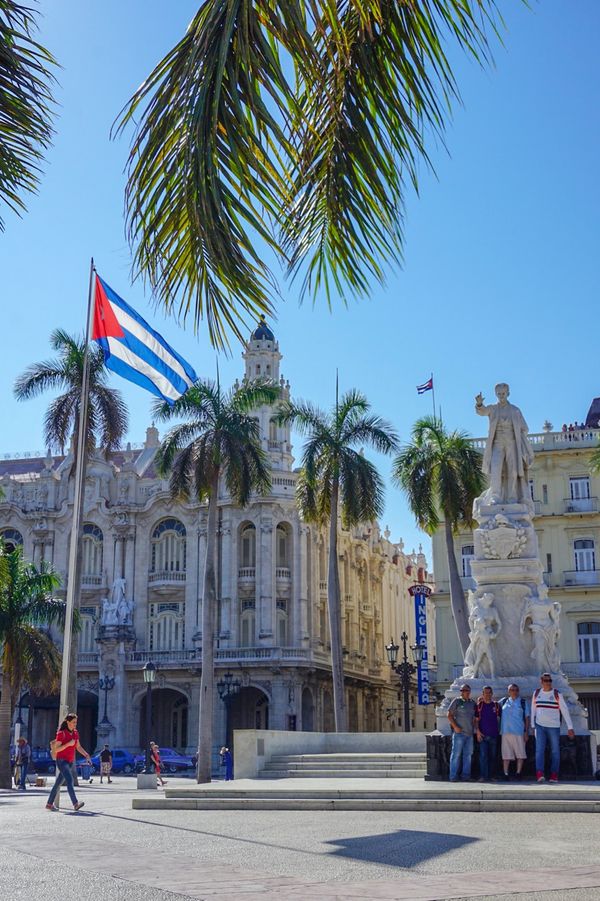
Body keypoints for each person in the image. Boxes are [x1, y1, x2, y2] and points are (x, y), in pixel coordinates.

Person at [531, 673, 574, 784]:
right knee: (539, 751)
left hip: (554, 727)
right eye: (546, 680)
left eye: (549, 680)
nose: (548, 682)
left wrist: (570, 727)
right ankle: (539, 774)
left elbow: (564, 710)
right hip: (540, 726)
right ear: (541, 681)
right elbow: (533, 710)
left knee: (555, 751)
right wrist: (532, 725)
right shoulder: (536, 693)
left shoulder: (557, 694)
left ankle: (554, 775)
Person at [46, 713, 92, 811]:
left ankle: (49, 804)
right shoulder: (61, 733)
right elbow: (56, 749)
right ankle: (75, 804)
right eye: (73, 722)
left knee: (58, 783)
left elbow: (78, 746)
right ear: (68, 722)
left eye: (76, 722)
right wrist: (67, 744)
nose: (75, 724)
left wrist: (86, 755)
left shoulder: (75, 733)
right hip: (62, 760)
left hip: (70, 761)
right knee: (70, 780)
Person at [499, 683, 530, 781]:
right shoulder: (503, 701)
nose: (514, 691)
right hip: (505, 731)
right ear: (508, 691)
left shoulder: (523, 702)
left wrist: (526, 732)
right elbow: (492, 705)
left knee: (520, 754)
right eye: (512, 690)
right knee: (506, 755)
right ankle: (505, 773)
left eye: (516, 690)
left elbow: (527, 718)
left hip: (519, 731)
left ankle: (518, 773)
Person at [447, 685, 477, 782]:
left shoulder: (472, 703)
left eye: (467, 690)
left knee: (467, 756)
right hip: (459, 734)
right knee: (456, 755)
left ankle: (466, 776)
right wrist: (455, 726)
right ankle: (453, 776)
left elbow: (475, 717)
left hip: (469, 734)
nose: (466, 692)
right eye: (464, 690)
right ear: (461, 691)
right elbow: (449, 715)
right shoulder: (457, 701)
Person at [475, 686, 500, 782]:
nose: (488, 694)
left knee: (493, 757)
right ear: (482, 694)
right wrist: (477, 732)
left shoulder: (496, 705)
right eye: (485, 692)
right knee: (483, 757)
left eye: (489, 692)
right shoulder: (479, 706)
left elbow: (499, 719)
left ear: (492, 693)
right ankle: (483, 776)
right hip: (482, 735)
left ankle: (492, 776)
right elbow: (476, 720)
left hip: (494, 735)